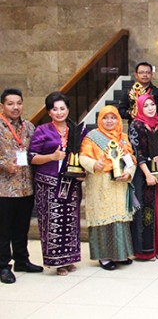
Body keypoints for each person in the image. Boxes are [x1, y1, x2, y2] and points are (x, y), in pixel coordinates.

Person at [28, 92, 84, 276]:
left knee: (71, 221)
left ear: (68, 109)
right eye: (55, 109)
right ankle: (57, 262)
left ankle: (70, 258)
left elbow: (83, 155)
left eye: (62, 108)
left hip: (71, 182)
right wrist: (52, 157)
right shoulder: (42, 130)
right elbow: (32, 157)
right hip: (49, 183)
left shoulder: (75, 129)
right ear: (49, 112)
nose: (59, 112)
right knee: (53, 222)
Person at [79, 106, 137, 270]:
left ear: (118, 119)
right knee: (103, 219)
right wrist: (94, 164)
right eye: (106, 118)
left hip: (119, 184)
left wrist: (129, 173)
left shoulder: (123, 138)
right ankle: (104, 257)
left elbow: (130, 159)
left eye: (113, 118)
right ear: (100, 120)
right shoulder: (92, 137)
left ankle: (120, 254)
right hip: (100, 184)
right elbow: (83, 157)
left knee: (119, 219)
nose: (109, 121)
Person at [0, 88, 42, 284]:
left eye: (18, 103)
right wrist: (4, 165)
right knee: (3, 230)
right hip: (4, 188)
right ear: (2, 106)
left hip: (26, 186)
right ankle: (3, 266)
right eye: (10, 104)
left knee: (21, 227)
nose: (15, 107)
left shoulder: (29, 127)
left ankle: (22, 260)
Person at [128, 94, 158, 260]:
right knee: (146, 211)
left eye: (152, 104)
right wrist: (147, 173)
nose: (150, 108)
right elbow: (136, 152)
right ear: (140, 108)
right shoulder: (135, 126)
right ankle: (146, 251)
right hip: (144, 174)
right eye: (146, 105)